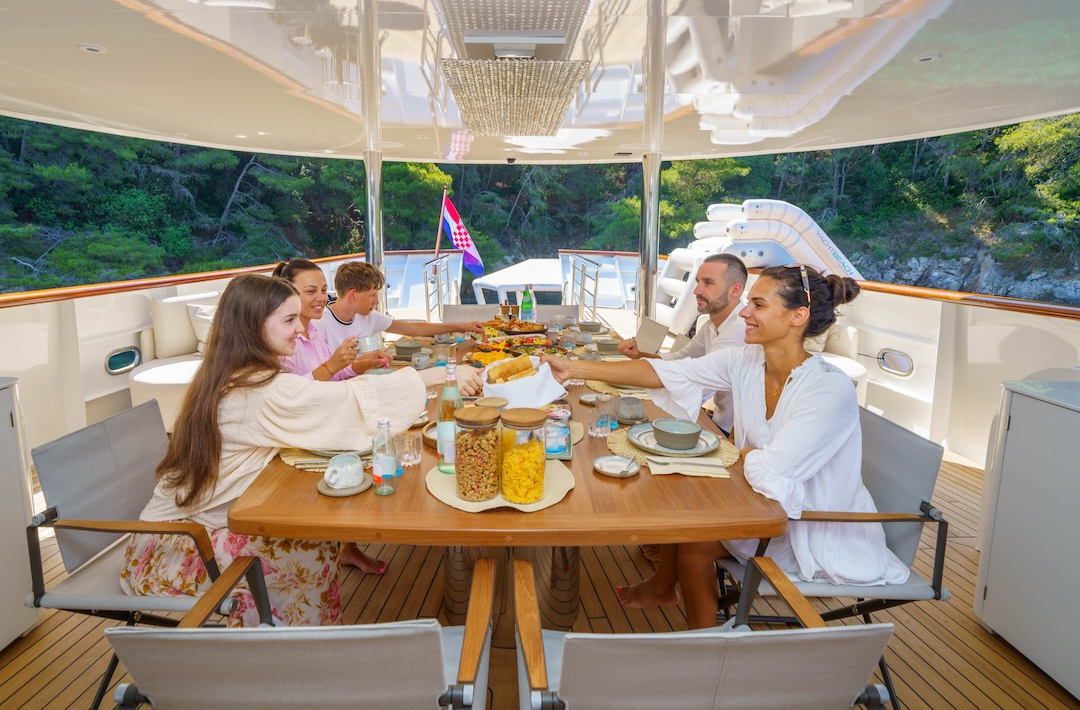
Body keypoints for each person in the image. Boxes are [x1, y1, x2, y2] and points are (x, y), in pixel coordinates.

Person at [544, 265, 910, 629]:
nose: (746, 313)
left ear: (798, 316)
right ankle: (685, 616)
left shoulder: (829, 390)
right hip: (757, 501)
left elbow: (773, 473)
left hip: (809, 525)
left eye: (758, 305)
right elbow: (668, 373)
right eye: (749, 302)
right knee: (682, 508)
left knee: (692, 539)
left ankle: (705, 647)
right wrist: (574, 368)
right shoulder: (747, 361)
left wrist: (742, 452)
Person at [120, 274, 428, 627]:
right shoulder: (257, 390)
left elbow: (319, 402)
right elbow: (344, 405)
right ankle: (283, 655)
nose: (301, 329)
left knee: (315, 544)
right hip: (176, 549)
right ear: (253, 326)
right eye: (289, 320)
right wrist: (436, 379)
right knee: (310, 552)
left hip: (180, 532)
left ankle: (296, 646)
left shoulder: (231, 374)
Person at [270, 258, 392, 575]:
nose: (321, 297)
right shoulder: (283, 341)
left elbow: (333, 378)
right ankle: (341, 542)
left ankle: (347, 547)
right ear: (287, 294)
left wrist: (360, 365)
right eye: (310, 290)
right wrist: (335, 365)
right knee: (381, 446)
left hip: (326, 418)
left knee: (389, 434)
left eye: (324, 289)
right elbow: (293, 397)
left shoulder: (315, 332)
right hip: (304, 432)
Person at [618, 253, 747, 434]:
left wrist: (580, 368)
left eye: (708, 283)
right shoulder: (710, 324)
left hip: (735, 436)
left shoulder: (740, 329)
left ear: (735, 290)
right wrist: (639, 355)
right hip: (716, 422)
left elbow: (692, 378)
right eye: (697, 282)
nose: (697, 291)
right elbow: (679, 358)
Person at [313, 262, 484, 353]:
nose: (376, 302)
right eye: (372, 295)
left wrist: (461, 326)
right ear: (352, 295)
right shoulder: (320, 324)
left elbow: (413, 328)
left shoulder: (368, 316)